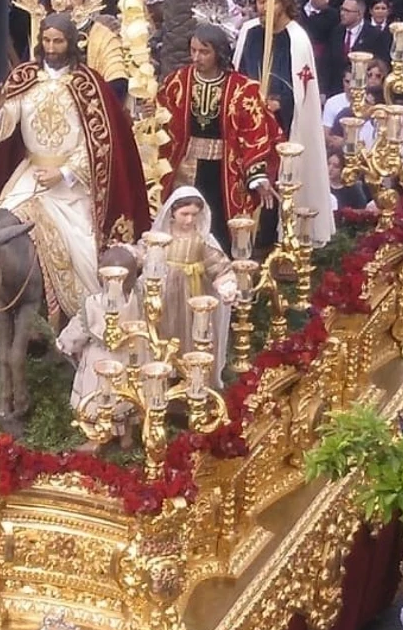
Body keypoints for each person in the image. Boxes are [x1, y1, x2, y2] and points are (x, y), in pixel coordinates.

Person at [0, 12, 151, 317]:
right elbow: (9, 121)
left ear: (71, 43)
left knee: (82, 250)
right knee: (1, 223)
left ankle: (90, 317)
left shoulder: (89, 85)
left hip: (72, 183)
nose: (51, 48)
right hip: (30, 175)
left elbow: (98, 143)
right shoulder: (24, 77)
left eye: (58, 41)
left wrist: (64, 173)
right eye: (46, 40)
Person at [158, 24, 283, 252]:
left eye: (204, 52)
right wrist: (151, 114)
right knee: (183, 220)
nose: (196, 57)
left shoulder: (242, 89)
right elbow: (161, 120)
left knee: (218, 227)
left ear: (219, 53)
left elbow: (255, 134)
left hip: (225, 171)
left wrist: (257, 174)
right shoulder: (177, 81)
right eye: (193, 50)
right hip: (185, 166)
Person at [232, 0, 337, 246]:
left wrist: (281, 102)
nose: (263, 8)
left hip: (282, 128)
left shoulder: (297, 39)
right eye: (259, 1)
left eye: (270, 2)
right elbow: (239, 73)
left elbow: (302, 90)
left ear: (284, 4)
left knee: (276, 186)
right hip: (249, 123)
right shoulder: (250, 31)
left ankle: (271, 242)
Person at [144, 187, 238, 384]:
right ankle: (165, 373)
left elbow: (219, 266)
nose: (189, 220)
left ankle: (191, 374)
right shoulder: (162, 236)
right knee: (166, 331)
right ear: (172, 212)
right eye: (184, 214)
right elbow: (143, 254)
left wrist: (226, 285)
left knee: (191, 333)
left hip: (192, 294)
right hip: (165, 295)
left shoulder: (202, 239)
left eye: (194, 215)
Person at [57, 246, 145, 448]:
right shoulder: (138, 298)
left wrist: (64, 343)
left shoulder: (93, 304)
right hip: (130, 356)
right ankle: (126, 435)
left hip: (101, 360)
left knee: (99, 396)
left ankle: (96, 438)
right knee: (126, 393)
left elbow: (79, 328)